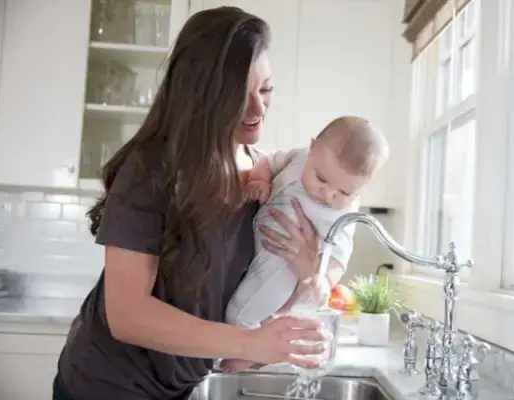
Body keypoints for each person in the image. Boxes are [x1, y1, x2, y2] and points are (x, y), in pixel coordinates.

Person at [52, 7, 329, 400]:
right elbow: (127, 315)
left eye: (265, 89)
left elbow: (260, 292)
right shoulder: (153, 168)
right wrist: (249, 343)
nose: (258, 109)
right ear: (203, 96)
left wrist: (306, 280)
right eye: (238, 96)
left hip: (181, 387)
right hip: (105, 386)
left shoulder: (268, 178)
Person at [221, 116, 390, 372]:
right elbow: (270, 161)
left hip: (281, 270)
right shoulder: (296, 158)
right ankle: (253, 354)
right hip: (256, 247)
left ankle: (242, 360)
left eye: (344, 193)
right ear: (312, 149)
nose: (328, 194)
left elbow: (338, 259)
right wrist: (258, 180)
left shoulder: (343, 216)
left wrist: (320, 280)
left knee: (241, 313)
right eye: (321, 179)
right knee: (250, 314)